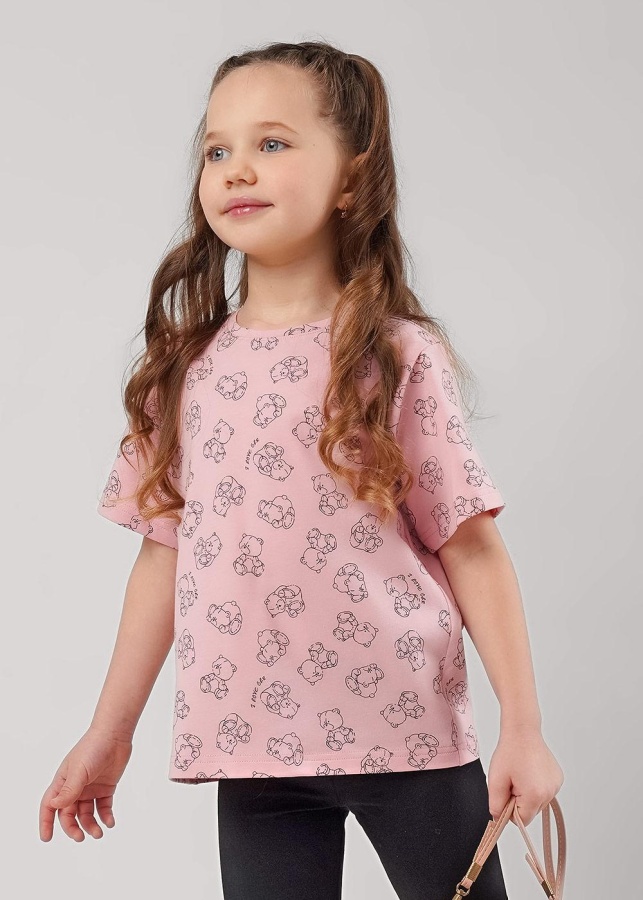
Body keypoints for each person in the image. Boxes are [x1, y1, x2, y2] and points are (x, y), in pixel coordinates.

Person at [39, 40, 564, 900]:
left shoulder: (394, 355)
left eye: (272, 143)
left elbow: (470, 545)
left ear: (351, 178)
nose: (237, 169)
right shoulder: (185, 370)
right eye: (217, 150)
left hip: (408, 735)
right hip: (253, 751)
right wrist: (109, 732)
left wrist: (524, 729)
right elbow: (163, 558)